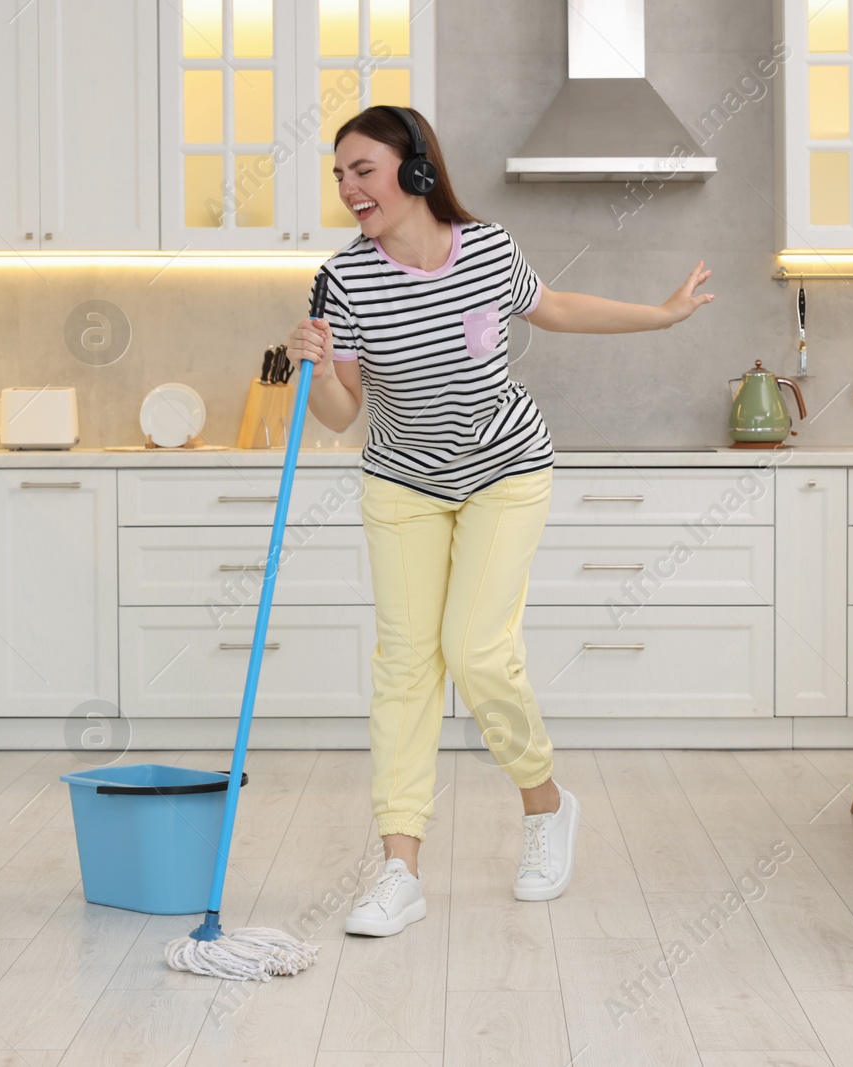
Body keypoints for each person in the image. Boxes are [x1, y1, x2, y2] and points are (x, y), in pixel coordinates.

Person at [287, 105, 714, 937]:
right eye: (339, 175)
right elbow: (341, 412)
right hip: (403, 482)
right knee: (406, 666)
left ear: (414, 169)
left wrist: (660, 314)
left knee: (477, 649)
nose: (348, 189)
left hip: (505, 470)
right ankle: (399, 870)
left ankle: (547, 807)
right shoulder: (346, 280)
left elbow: (554, 307)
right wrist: (314, 362)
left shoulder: (487, 252)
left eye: (362, 169)